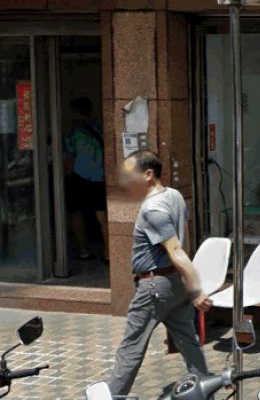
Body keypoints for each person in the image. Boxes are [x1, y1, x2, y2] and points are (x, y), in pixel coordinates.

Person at [107, 150, 211, 397]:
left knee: (131, 347)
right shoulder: (174, 195)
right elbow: (183, 240)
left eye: (129, 175)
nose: (125, 181)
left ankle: (113, 395)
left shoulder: (153, 209)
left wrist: (196, 290)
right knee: (188, 342)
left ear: (148, 175)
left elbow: (175, 249)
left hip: (155, 286)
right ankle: (206, 390)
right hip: (174, 283)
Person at [63, 97, 107, 262]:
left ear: (74, 111)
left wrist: (68, 174)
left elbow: (68, 158)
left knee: (76, 213)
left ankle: (83, 250)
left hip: (78, 177)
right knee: (102, 215)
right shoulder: (101, 128)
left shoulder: (72, 132)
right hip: (100, 177)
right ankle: (109, 253)